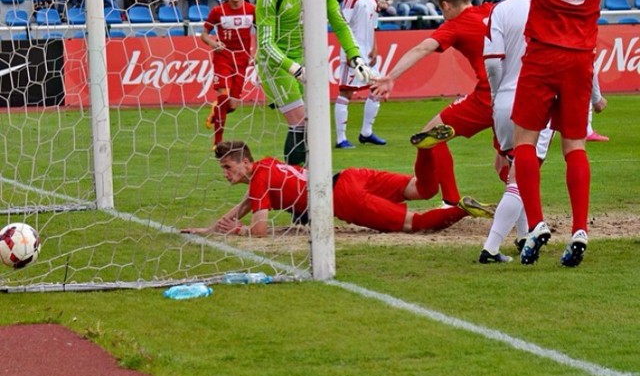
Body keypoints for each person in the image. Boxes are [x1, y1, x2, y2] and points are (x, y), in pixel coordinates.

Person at [474, 0, 640, 267]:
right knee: (575, 147)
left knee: (526, 142)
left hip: (544, 56)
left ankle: (536, 225)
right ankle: (580, 228)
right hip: (581, 60)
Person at [180, 141, 494, 237]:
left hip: (342, 198)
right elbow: (248, 203)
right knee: (421, 187)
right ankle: (426, 147)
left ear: (244, 163)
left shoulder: (259, 179)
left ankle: (459, 209)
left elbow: (259, 229)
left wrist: (237, 231)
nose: (224, 174)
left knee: (415, 223)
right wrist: (208, 228)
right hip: (351, 175)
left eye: (227, 167)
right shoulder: (267, 165)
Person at [372, 0, 495, 209]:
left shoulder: (455, 24)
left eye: (441, 9)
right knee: (507, 161)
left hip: (488, 96)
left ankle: (449, 200)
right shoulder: (491, 9)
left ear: (446, 5)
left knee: (429, 135)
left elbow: (422, 48)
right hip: (517, 93)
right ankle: (524, 213)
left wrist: (390, 77)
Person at [255, 0, 372, 169]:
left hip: (306, 61)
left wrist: (355, 55)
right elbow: (265, 45)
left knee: (313, 126)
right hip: (277, 65)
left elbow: (339, 22)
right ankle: (293, 182)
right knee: (301, 123)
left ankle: (303, 180)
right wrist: (295, 68)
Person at [480, 0, 555, 263]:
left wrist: (498, 97)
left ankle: (525, 237)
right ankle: (490, 248)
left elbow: (493, 64)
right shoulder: (554, 8)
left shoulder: (501, 9)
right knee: (521, 178)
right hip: (538, 100)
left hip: (505, 99)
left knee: (518, 172)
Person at [335, 0, 386, 149]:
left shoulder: (373, 1)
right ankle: (341, 139)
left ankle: (366, 133)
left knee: (377, 89)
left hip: (368, 53)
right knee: (346, 93)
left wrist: (375, 48)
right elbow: (343, 26)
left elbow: (373, 27)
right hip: (353, 53)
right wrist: (349, 51)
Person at [201, 0, 256, 148]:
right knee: (223, 97)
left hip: (242, 59)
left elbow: (262, 32)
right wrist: (213, 43)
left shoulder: (252, 10)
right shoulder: (218, 11)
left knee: (231, 105)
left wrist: (258, 53)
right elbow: (203, 34)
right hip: (223, 57)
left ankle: (215, 111)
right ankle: (218, 142)